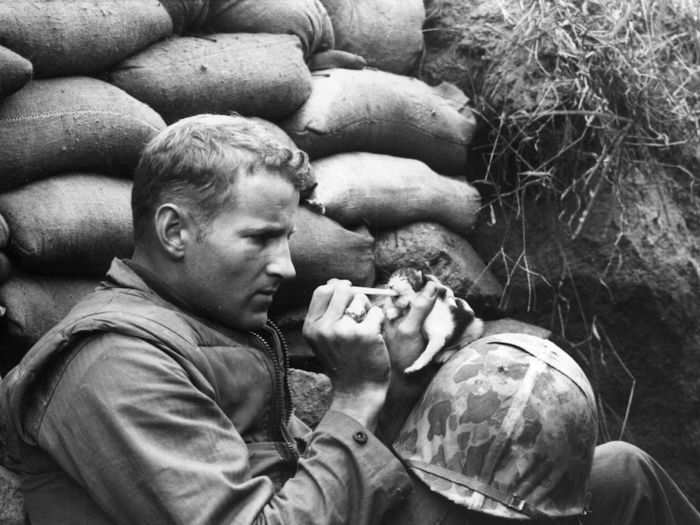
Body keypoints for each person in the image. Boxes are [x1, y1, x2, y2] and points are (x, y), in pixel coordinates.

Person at [0, 114, 697, 525]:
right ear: (175, 230)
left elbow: (315, 478)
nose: (283, 266)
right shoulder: (113, 364)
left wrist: (397, 376)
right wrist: (359, 395)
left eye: (286, 239)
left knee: (619, 476)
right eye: (259, 239)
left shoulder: (207, 325)